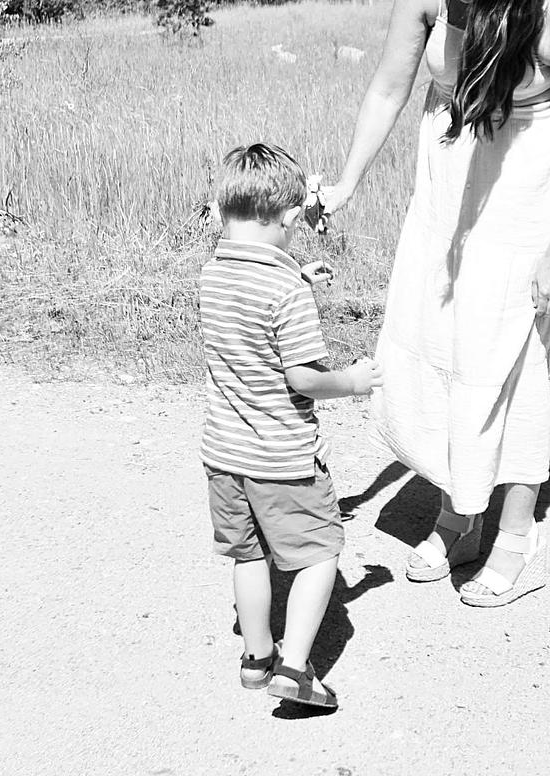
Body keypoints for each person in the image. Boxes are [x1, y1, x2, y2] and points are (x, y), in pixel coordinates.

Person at [323, 0, 550, 608]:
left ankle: (517, 533)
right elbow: (388, 88)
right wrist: (347, 182)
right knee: (442, 346)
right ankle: (459, 513)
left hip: (523, 197)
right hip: (446, 185)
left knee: (508, 361)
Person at [199, 142, 382, 709]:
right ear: (289, 217)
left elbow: (249, 314)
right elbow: (302, 378)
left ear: (223, 209)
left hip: (223, 454)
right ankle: (295, 669)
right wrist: (352, 381)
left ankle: (256, 657)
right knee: (321, 551)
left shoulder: (212, 274)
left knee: (248, 554)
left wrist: (296, 273)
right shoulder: (287, 293)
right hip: (282, 457)